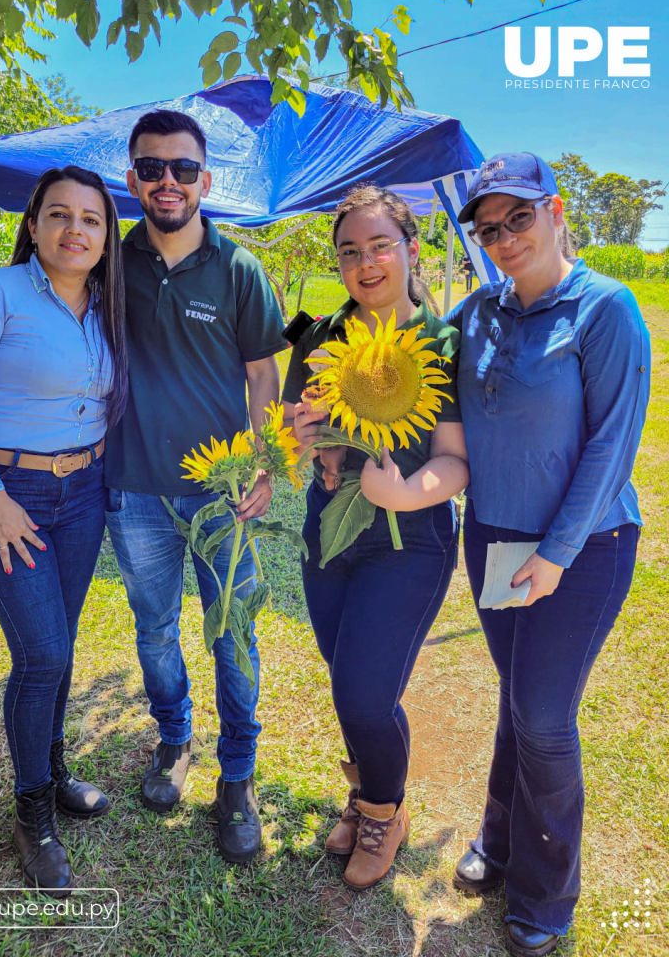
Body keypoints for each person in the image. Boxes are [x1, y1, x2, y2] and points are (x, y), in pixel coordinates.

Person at [447, 153, 650, 957]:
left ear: (556, 211)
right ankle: (498, 845)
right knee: (515, 699)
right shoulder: (475, 311)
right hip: (493, 535)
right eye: (487, 228)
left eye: (517, 219)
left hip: (586, 545)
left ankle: (545, 891)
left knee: (542, 714)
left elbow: (612, 444)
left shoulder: (605, 309)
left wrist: (559, 552)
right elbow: (417, 377)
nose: (502, 238)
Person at [0, 166, 129, 895]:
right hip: (7, 495)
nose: (77, 231)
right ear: (34, 224)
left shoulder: (109, 306)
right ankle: (32, 814)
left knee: (62, 645)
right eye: (60, 216)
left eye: (93, 220)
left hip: (84, 491)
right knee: (42, 653)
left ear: (107, 236)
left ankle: (54, 769)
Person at [104, 110, 285, 863]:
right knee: (154, 630)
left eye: (182, 169)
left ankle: (237, 774)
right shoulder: (111, 263)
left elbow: (262, 374)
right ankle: (173, 739)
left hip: (221, 494)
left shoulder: (240, 269)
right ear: (132, 179)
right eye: (152, 168)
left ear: (206, 180)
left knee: (233, 633)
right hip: (133, 488)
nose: (167, 181)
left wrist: (266, 465)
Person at [283, 185, 470, 891]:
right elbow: (288, 437)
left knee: (364, 692)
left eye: (380, 245)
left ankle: (384, 814)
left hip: (410, 540)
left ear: (411, 249)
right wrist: (295, 439)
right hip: (328, 535)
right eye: (349, 252)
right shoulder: (320, 335)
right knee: (347, 681)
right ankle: (365, 797)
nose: (365, 263)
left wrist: (405, 490)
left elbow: (454, 459)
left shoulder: (443, 342)